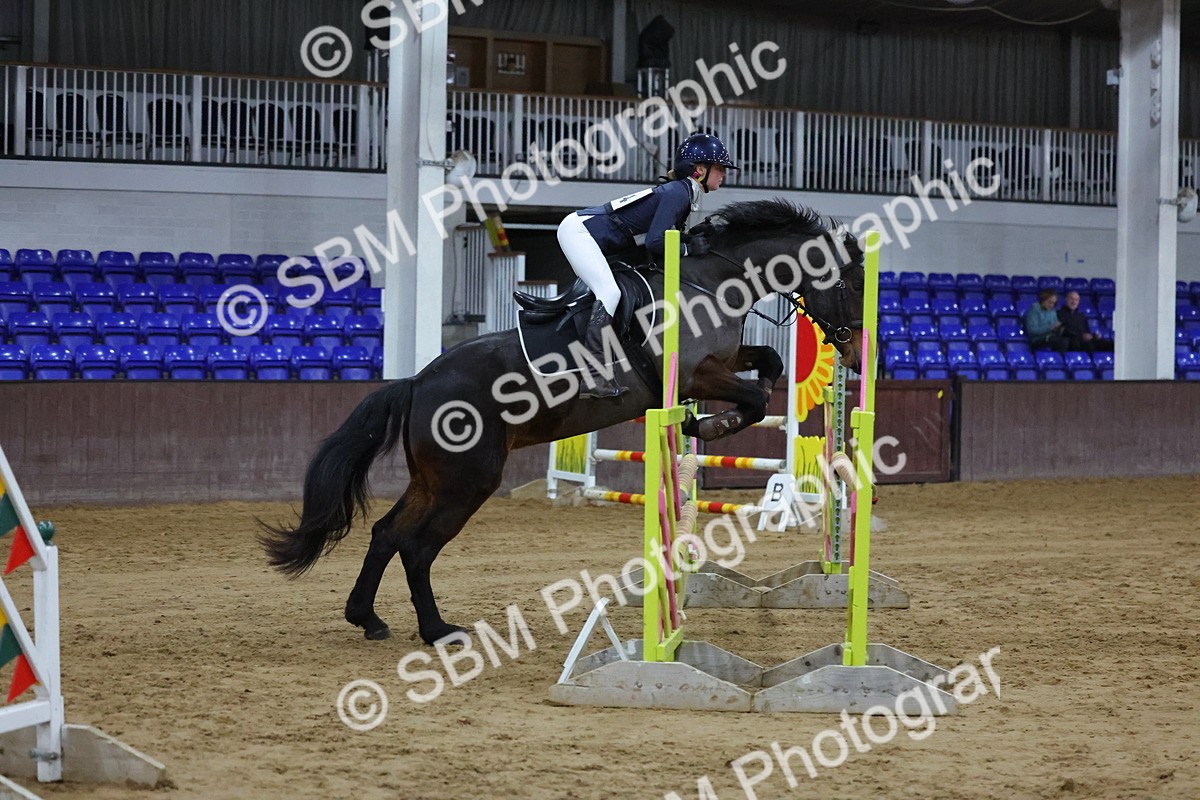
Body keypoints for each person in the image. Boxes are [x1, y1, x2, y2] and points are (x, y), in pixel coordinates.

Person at [556, 132, 737, 398]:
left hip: (593, 236)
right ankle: (593, 377)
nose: (723, 174)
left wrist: (689, 238)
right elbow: (655, 242)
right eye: (719, 168)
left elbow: (659, 239)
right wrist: (687, 247)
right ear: (699, 170)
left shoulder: (683, 192)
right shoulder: (679, 193)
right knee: (610, 293)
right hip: (579, 232)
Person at [1023, 289, 1068, 353]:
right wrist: (1050, 327)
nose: (1052, 305)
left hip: (1051, 337)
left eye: (1054, 303)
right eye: (1050, 302)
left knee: (1070, 341)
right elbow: (1032, 330)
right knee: (1061, 342)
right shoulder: (1034, 309)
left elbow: (1054, 327)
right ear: (1043, 299)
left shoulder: (1052, 311)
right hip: (1037, 339)